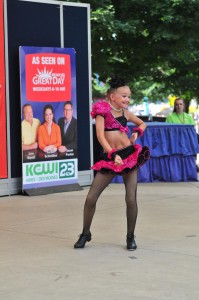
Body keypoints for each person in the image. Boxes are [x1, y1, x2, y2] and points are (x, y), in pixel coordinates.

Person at [74, 76, 150, 251]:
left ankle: (130, 236)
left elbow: (142, 123)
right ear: (112, 96)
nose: (127, 99)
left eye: (129, 96)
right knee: (91, 198)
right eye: (123, 96)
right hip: (110, 157)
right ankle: (85, 233)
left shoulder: (126, 113)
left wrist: (136, 133)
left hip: (129, 156)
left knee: (131, 199)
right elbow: (100, 136)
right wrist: (113, 153)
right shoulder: (102, 110)